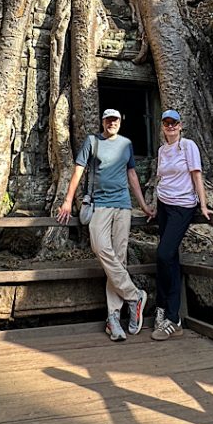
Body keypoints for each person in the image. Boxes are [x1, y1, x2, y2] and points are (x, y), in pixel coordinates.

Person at [57, 109, 154, 341]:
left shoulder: (126, 144)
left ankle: (113, 318)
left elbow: (132, 175)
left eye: (116, 120)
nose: (112, 123)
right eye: (108, 119)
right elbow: (78, 170)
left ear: (121, 123)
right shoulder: (92, 142)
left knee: (119, 260)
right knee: (99, 247)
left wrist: (143, 205)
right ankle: (134, 296)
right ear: (102, 122)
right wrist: (68, 201)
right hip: (100, 205)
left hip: (122, 206)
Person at [151, 109, 211, 341]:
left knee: (164, 253)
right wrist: (154, 207)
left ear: (180, 124)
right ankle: (164, 309)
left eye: (174, 122)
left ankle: (173, 316)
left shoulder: (189, 146)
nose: (171, 126)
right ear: (162, 126)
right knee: (167, 257)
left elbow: (197, 176)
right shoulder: (161, 150)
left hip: (183, 206)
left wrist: (203, 206)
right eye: (166, 122)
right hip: (163, 205)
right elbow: (161, 178)